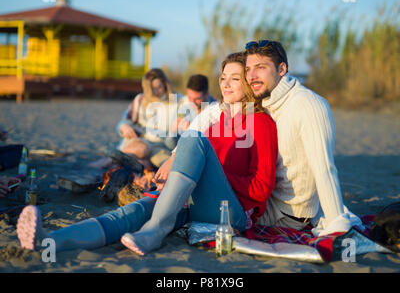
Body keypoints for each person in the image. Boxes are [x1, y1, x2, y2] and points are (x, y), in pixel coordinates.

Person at [16, 52, 278, 255]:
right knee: (133, 212)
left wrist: (202, 178)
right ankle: (49, 240)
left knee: (191, 137)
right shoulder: (215, 122)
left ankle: (155, 231)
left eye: (235, 78)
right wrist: (180, 178)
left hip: (232, 214)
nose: (226, 84)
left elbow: (261, 189)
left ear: (248, 82)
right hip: (196, 204)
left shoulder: (261, 123)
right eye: (223, 78)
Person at [244, 40, 363, 236]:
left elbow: (324, 168)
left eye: (260, 67)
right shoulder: (267, 105)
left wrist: (336, 224)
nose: (251, 76)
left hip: (286, 215)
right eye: (248, 69)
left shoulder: (308, 105)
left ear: (281, 69)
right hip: (264, 202)